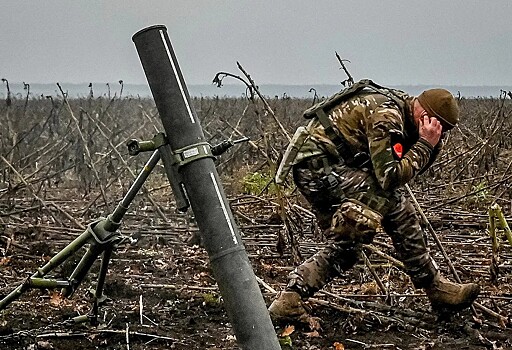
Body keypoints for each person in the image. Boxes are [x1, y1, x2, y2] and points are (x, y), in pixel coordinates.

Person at [269, 81, 480, 320]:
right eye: (439, 127)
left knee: (347, 248)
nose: (439, 133)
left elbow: (398, 170)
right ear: (425, 115)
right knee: (396, 206)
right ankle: (435, 288)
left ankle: (289, 300)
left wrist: (430, 146)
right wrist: (424, 145)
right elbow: (389, 178)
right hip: (318, 168)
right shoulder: (388, 117)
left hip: (326, 167)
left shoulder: (405, 109)